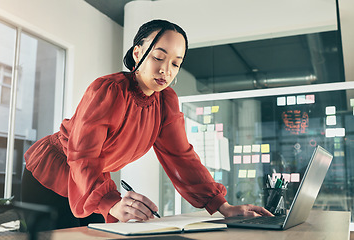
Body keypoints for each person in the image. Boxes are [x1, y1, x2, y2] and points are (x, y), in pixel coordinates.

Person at [21, 19, 272, 230]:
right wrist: (110, 201)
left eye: (175, 63)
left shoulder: (166, 102)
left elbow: (181, 157)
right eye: (159, 57)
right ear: (138, 53)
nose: (166, 70)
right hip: (52, 172)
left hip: (91, 181)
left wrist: (222, 206)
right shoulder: (108, 90)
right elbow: (83, 155)